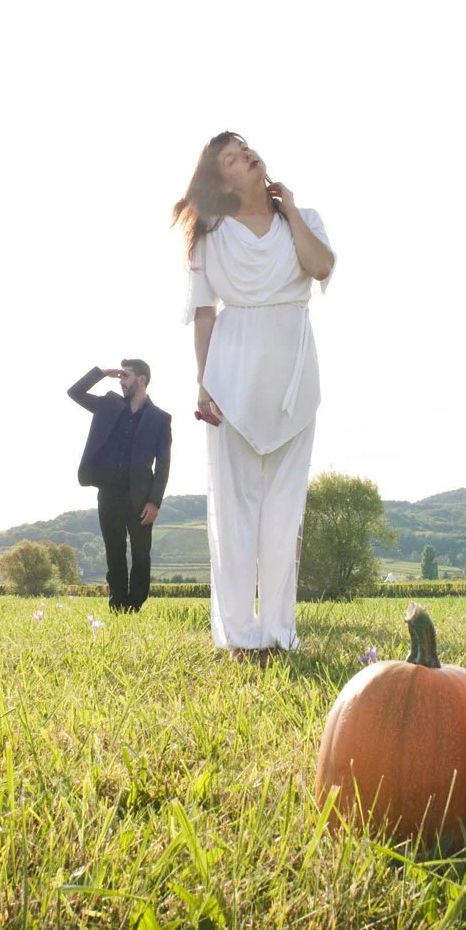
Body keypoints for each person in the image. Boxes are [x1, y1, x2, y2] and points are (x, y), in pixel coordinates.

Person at [172, 132, 335, 657]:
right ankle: (241, 637)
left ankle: (278, 635)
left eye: (244, 149)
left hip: (293, 374)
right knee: (235, 509)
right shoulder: (209, 237)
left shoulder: (300, 216)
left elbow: (321, 267)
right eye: (231, 158)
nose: (246, 157)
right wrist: (203, 382)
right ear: (222, 180)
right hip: (231, 373)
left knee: (285, 513)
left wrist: (288, 207)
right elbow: (202, 313)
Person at [68, 360, 172, 612]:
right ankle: (117, 606)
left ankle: (134, 605)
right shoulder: (108, 405)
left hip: (141, 498)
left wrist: (154, 501)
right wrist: (102, 374)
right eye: (119, 376)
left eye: (125, 376)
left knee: (141, 554)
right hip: (109, 493)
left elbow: (163, 464)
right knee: (114, 553)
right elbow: (75, 392)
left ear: (142, 380)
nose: (121, 380)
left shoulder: (160, 419)